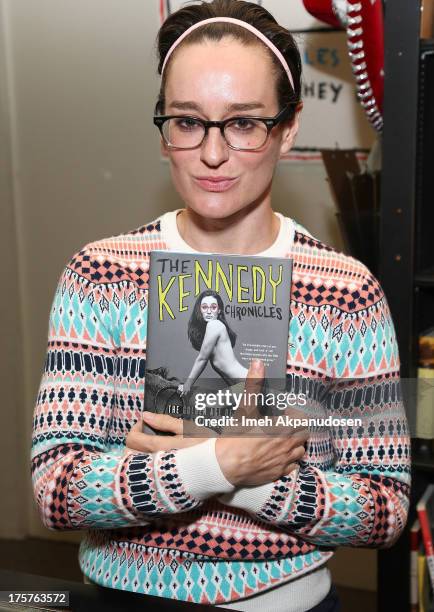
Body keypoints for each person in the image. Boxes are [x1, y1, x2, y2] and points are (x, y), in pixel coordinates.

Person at [30, 1, 411, 610]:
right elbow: (58, 490)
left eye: (243, 123)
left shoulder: (346, 291)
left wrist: (246, 477)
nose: (212, 154)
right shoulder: (100, 275)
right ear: (164, 132)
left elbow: (385, 510)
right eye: (187, 121)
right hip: (123, 598)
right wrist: (221, 462)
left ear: (288, 128)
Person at [177, 290, 248, 397]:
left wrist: (187, 384)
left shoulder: (214, 325)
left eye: (213, 307)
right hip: (241, 386)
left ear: (219, 310)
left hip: (248, 383)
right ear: (199, 309)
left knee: (206, 404)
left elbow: (202, 359)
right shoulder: (214, 327)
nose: (209, 311)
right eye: (204, 307)